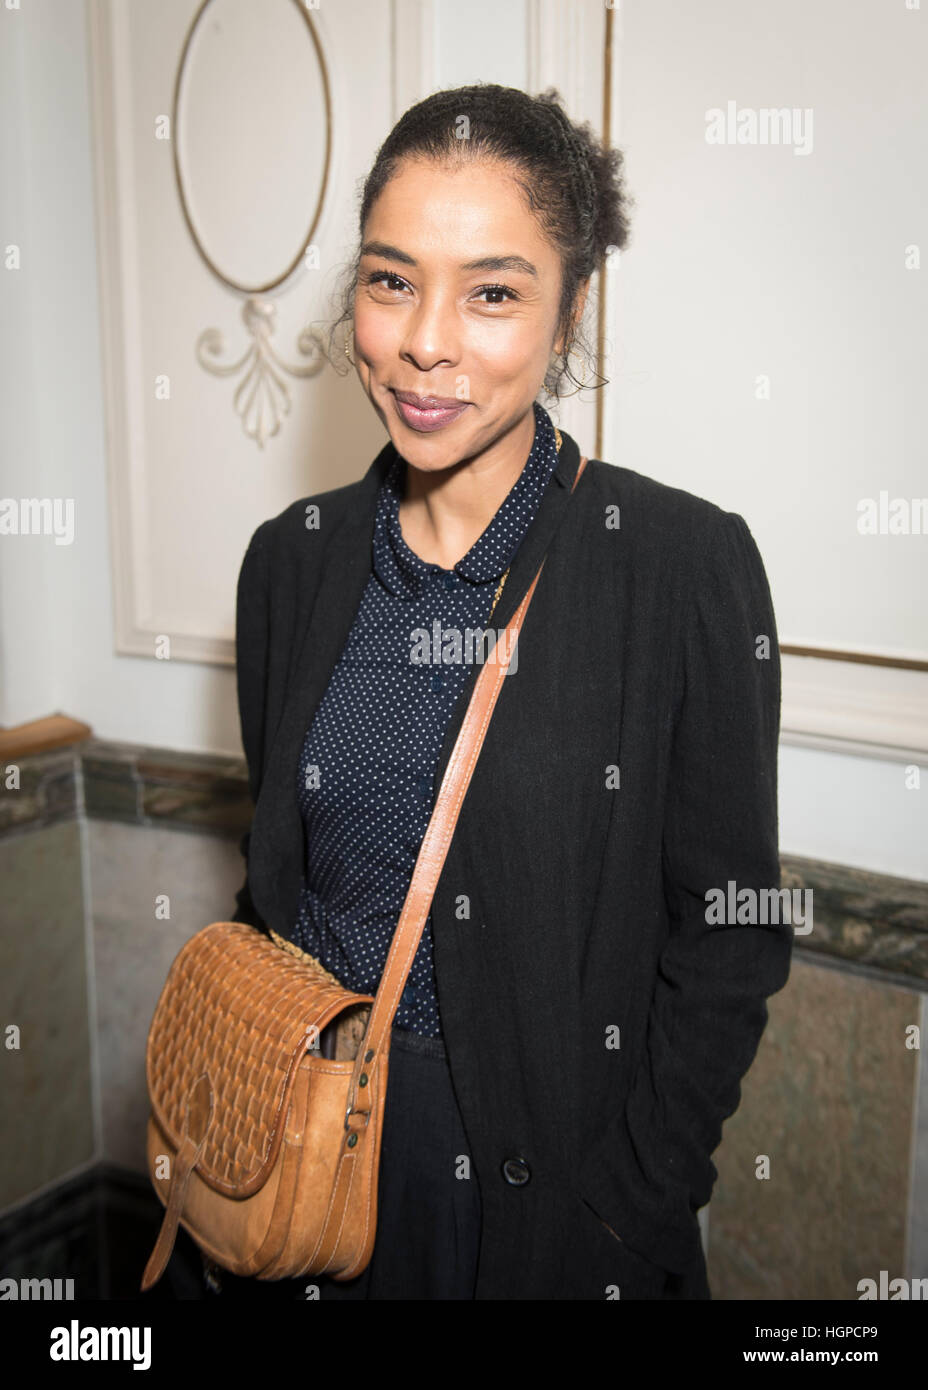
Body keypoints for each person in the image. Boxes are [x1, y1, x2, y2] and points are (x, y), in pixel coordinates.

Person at [217, 83, 792, 1301]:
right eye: (389, 281)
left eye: (491, 291)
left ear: (569, 311)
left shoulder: (676, 567)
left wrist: (631, 1205)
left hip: (560, 1207)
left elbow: (730, 931)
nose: (427, 340)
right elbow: (277, 884)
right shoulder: (292, 560)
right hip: (321, 1164)